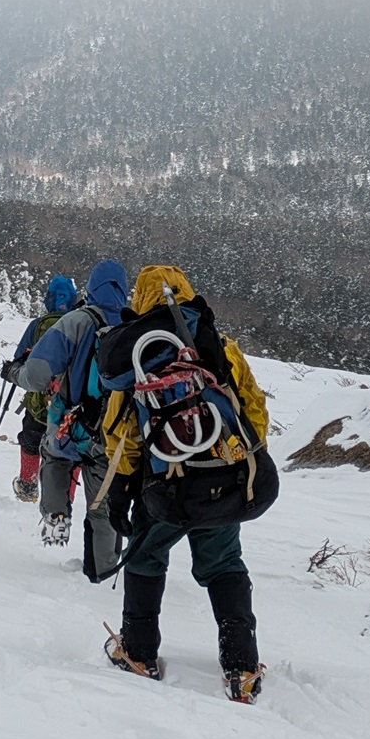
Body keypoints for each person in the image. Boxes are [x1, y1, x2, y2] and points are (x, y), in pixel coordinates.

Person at [94, 265, 277, 703]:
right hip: (222, 476)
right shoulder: (221, 347)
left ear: (138, 300)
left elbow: (120, 431)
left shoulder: (137, 354)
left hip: (166, 485)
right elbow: (254, 410)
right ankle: (241, 669)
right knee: (224, 564)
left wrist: (121, 489)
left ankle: (138, 652)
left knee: (146, 557)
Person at [4, 259, 127, 577]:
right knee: (102, 507)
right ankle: (101, 573)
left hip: (68, 428)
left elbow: (38, 374)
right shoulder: (134, 326)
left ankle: (54, 541)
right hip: (114, 434)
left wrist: (14, 372)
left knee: (56, 470)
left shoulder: (76, 321)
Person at [7, 275, 78, 503]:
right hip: (72, 404)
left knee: (30, 438)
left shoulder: (37, 326)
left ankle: (28, 485)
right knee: (70, 445)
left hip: (40, 402)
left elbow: (20, 358)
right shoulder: (81, 324)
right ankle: (66, 494)